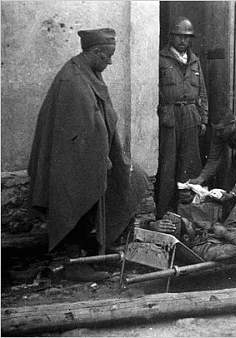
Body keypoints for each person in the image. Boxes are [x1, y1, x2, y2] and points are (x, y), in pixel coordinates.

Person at [28, 28, 148, 281]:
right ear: (94, 52)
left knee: (135, 178)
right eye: (107, 56)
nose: (111, 61)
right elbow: (79, 131)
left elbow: (100, 120)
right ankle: (75, 261)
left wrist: (108, 154)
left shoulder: (88, 72)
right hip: (72, 163)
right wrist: (99, 156)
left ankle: (99, 247)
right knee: (80, 196)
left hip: (92, 156)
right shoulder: (72, 80)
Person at [155, 16, 209, 219]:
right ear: (171, 37)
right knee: (169, 165)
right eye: (179, 37)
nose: (183, 41)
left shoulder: (195, 61)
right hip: (170, 116)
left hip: (191, 116)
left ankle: (187, 213)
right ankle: (164, 213)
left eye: (187, 38)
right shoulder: (161, 59)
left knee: (190, 165)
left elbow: (202, 91)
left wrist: (203, 118)